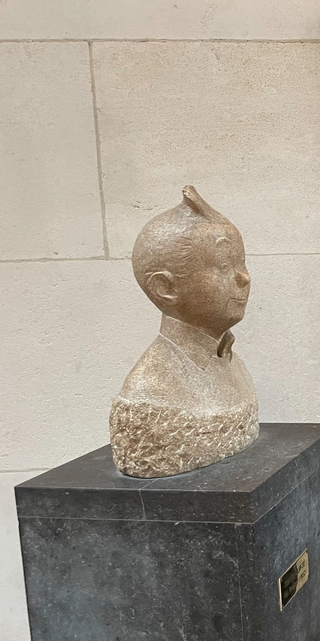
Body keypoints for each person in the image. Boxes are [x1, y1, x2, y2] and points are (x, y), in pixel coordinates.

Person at [111, 185, 258, 478]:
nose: (244, 277)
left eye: (241, 262)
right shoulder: (149, 393)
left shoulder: (233, 364)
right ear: (165, 288)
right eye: (224, 265)